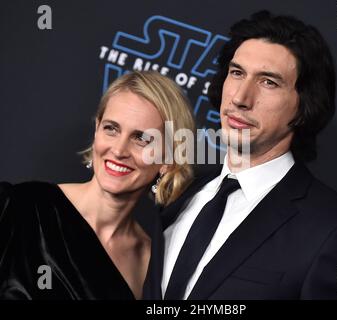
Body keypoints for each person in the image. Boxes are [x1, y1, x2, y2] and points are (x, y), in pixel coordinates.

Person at [144, 10, 337, 300]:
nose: (240, 98)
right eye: (237, 73)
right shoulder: (179, 196)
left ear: (305, 106)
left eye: (268, 82)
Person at [0, 71, 195, 300]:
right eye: (111, 128)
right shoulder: (19, 207)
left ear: (167, 160)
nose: (119, 150)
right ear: (96, 131)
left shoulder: (152, 270)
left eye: (141, 138)